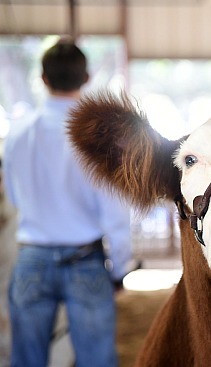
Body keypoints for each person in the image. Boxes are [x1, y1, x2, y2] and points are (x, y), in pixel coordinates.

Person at [2, 39, 134, 367]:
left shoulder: (18, 134)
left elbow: (14, 197)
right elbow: (115, 212)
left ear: (43, 79)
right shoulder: (97, 136)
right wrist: (120, 268)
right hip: (85, 260)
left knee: (26, 360)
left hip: (32, 258)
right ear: (87, 78)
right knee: (97, 361)